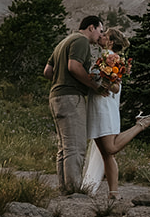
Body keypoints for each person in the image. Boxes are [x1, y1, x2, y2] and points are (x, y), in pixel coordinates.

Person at [81, 29, 150, 198]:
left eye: (104, 36)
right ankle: (113, 193)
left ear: (110, 42)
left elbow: (116, 87)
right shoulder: (105, 57)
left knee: (110, 148)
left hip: (104, 106)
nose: (101, 36)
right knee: (105, 154)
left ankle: (141, 124)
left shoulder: (112, 58)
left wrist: (101, 82)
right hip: (96, 105)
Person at [44, 15, 108, 194]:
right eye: (100, 31)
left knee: (64, 146)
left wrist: (60, 79)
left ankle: (64, 187)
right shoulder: (81, 41)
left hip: (55, 96)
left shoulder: (63, 42)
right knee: (76, 146)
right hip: (71, 97)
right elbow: (74, 66)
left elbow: (47, 71)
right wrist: (93, 85)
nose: (100, 36)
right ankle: (73, 190)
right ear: (91, 28)